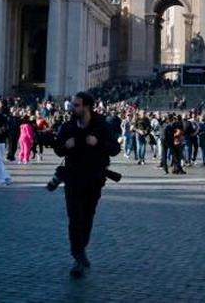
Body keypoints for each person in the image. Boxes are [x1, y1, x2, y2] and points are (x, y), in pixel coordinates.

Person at [54, 92, 121, 278]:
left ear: (87, 107)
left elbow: (115, 149)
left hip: (94, 178)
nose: (72, 108)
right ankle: (77, 255)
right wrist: (65, 146)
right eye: (73, 105)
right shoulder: (67, 127)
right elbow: (58, 149)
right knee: (74, 217)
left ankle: (81, 248)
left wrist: (98, 143)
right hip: (73, 178)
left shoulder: (103, 126)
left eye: (76, 105)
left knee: (88, 216)